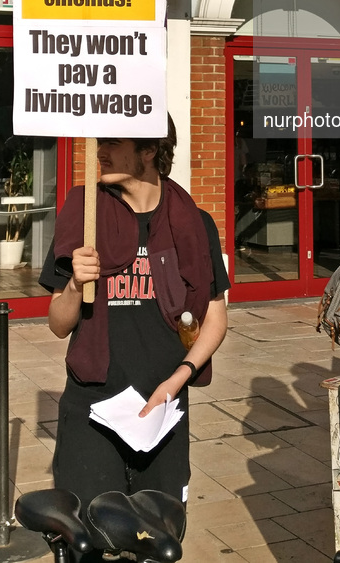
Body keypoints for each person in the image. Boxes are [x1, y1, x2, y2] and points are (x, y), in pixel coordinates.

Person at [39, 118, 230, 517]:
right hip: (91, 410)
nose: (98, 151)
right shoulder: (83, 214)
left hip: (162, 410)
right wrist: (75, 284)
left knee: (158, 535)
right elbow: (58, 324)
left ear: (149, 150)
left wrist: (177, 380)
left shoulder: (195, 224)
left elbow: (215, 317)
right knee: (91, 535)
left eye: (111, 141)